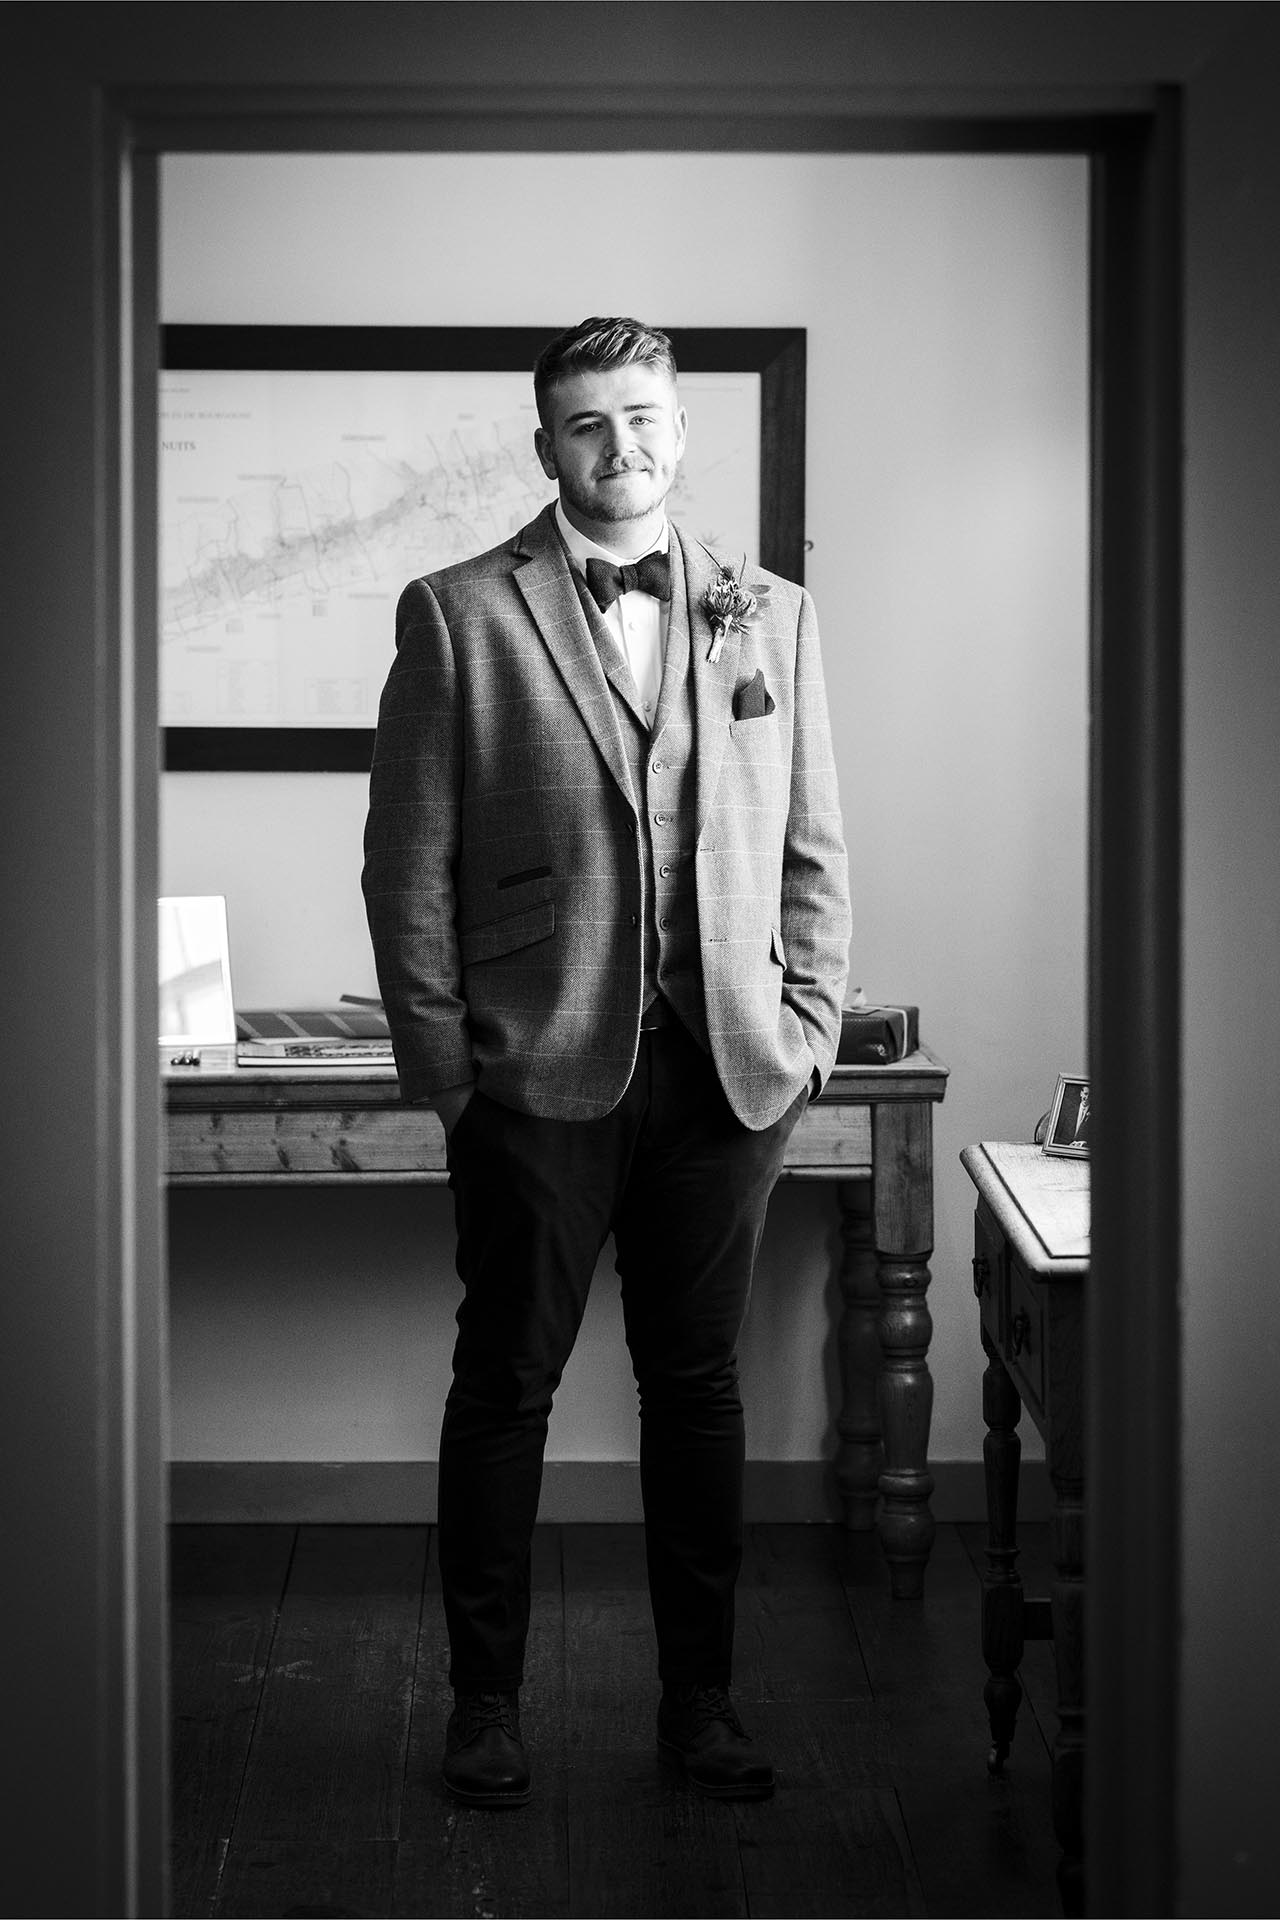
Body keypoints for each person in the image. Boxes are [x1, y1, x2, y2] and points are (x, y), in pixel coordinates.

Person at [362, 315, 851, 1808]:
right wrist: (451, 1070)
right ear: (547, 446)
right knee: (505, 1384)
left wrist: (812, 1021)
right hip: (538, 1072)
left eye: (643, 418)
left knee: (697, 1386)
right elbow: (407, 863)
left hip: (726, 1073)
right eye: (588, 424)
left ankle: (701, 1703)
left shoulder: (769, 612)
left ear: (682, 431)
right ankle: (487, 1706)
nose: (620, 447)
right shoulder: (458, 614)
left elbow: (812, 843)